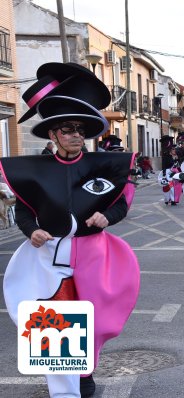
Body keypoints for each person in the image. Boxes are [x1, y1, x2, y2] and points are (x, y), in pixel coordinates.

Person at [0, 62, 139, 398]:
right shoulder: (33, 171)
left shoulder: (104, 164)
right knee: (56, 320)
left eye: (80, 128)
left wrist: (109, 218)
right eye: (67, 129)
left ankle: (86, 368)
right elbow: (23, 211)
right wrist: (31, 231)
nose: (76, 135)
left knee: (97, 319)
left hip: (95, 253)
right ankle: (66, 387)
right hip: (49, 255)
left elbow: (119, 202)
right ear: (52, 134)